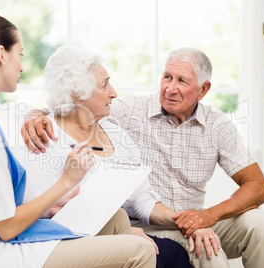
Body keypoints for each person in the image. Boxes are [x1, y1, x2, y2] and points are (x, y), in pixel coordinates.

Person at [0, 13, 157, 268]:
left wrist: (45, 208)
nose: (21, 66)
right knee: (140, 250)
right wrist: (67, 181)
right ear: (1, 54)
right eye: (19, 54)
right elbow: (6, 227)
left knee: (117, 218)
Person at [21, 47, 264, 268]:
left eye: (182, 81)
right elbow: (72, 107)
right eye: (167, 77)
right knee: (208, 250)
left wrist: (208, 216)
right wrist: (34, 115)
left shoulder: (217, 125)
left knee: (262, 223)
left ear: (203, 90)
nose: (170, 88)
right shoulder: (128, 111)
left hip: (187, 218)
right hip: (147, 225)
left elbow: (258, 187)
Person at [16, 45, 199, 268]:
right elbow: (41, 213)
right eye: (104, 85)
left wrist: (189, 222)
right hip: (69, 242)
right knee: (160, 254)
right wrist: (124, 234)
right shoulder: (44, 135)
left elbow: (141, 199)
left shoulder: (115, 133)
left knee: (175, 252)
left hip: (115, 229)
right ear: (77, 94)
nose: (114, 92)